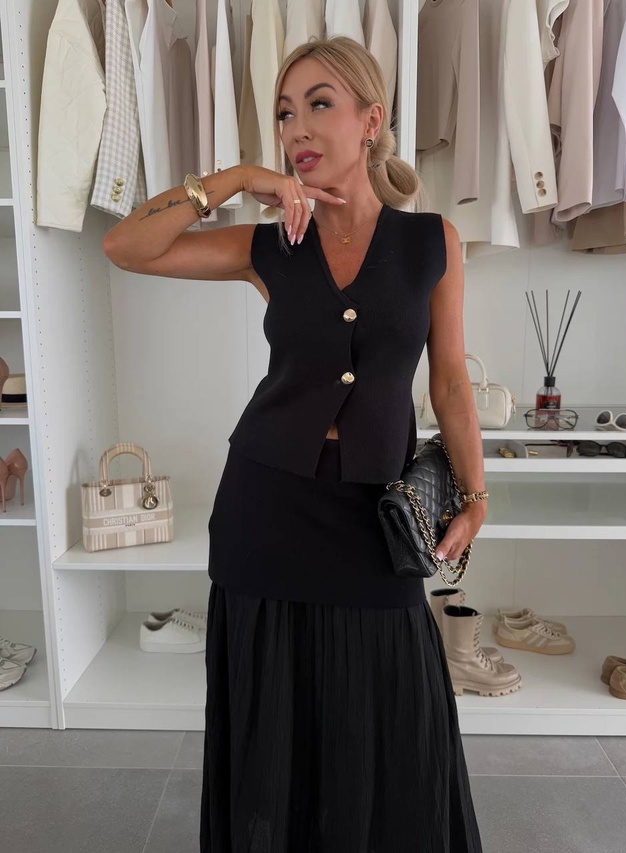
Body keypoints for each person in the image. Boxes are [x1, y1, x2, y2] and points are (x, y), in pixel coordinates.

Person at [103, 34, 486, 853]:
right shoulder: (269, 242)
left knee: (390, 718)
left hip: (375, 519)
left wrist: (476, 494)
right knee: (277, 723)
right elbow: (126, 246)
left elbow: (451, 384)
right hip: (267, 511)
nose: (297, 128)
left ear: (370, 121)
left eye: (319, 104)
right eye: (284, 113)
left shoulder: (432, 242)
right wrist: (242, 178)